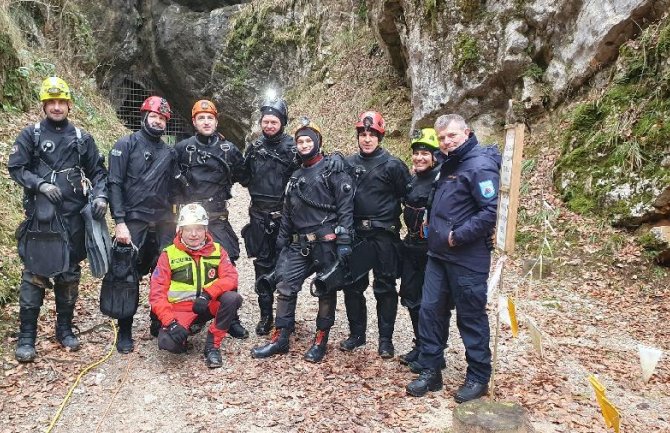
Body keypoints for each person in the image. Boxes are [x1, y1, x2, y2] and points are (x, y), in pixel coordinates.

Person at [9, 76, 108, 362]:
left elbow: (99, 173)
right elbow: (16, 167)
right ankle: (27, 337)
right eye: (50, 102)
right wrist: (40, 185)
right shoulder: (31, 135)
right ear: (44, 105)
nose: (56, 107)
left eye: (60, 102)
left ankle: (64, 329)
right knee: (34, 275)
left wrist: (101, 197)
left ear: (68, 104)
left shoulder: (81, 138)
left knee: (68, 274)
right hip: (41, 220)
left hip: (73, 219)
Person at [405, 114, 500, 403]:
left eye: (452, 136)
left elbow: (489, 211)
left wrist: (455, 236)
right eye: (443, 137)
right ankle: (431, 370)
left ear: (467, 133)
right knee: (430, 311)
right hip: (438, 255)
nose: (447, 141)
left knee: (470, 317)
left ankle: (478, 377)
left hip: (467, 257)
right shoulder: (448, 164)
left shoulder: (480, 165)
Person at [251, 118, 354, 363]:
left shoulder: (333, 170)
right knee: (285, 287)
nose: (304, 144)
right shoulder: (295, 175)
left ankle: (320, 340)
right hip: (299, 244)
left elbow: (346, 207)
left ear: (318, 143)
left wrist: (344, 241)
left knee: (325, 289)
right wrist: (282, 240)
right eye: (300, 141)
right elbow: (288, 211)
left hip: (326, 243)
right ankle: (280, 338)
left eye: (309, 140)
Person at [107, 95, 177, 354]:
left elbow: (175, 188)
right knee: (127, 274)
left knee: (164, 271)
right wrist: (120, 222)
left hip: (163, 221)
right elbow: (114, 184)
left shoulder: (169, 152)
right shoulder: (125, 145)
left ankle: (158, 320)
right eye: (154, 116)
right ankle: (124, 330)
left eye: (162, 118)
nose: (157, 121)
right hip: (133, 219)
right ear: (144, 116)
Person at [174, 99, 248, 339]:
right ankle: (185, 313)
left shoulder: (229, 150)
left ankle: (230, 317)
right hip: (192, 219)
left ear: (216, 121)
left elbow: (246, 177)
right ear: (194, 122)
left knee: (227, 264)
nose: (206, 122)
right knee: (186, 266)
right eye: (201, 118)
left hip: (217, 216)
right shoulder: (182, 149)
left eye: (210, 118)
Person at [340, 111, 411, 359]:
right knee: (353, 285)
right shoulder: (348, 165)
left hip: (384, 234)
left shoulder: (393, 166)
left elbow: (410, 198)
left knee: (385, 286)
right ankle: (357, 334)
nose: (367, 139)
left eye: (372, 135)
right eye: (363, 134)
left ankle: (385, 339)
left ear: (380, 136)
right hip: (357, 233)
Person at [149, 203, 241, 368]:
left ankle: (213, 346)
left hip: (206, 305)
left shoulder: (218, 250)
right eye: (188, 229)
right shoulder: (168, 255)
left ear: (206, 230)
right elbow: (157, 295)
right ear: (180, 230)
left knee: (232, 298)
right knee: (169, 344)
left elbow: (231, 278)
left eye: (199, 228)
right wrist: (171, 323)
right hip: (179, 310)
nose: (194, 234)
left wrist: (208, 294)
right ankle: (185, 331)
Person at [238, 96, 300, 335]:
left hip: (284, 218)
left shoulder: (293, 149)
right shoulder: (254, 148)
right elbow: (243, 177)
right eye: (266, 121)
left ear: (282, 122)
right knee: (261, 267)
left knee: (286, 267)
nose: (269, 126)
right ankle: (266, 316)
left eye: (274, 122)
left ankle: (286, 317)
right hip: (258, 217)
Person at [398, 128, 440, 367]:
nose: (419, 158)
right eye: (416, 153)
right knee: (411, 298)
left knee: (430, 303)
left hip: (431, 249)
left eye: (425, 153)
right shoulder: (414, 180)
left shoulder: (439, 180)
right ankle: (421, 344)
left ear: (434, 156)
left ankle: (432, 352)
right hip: (412, 245)